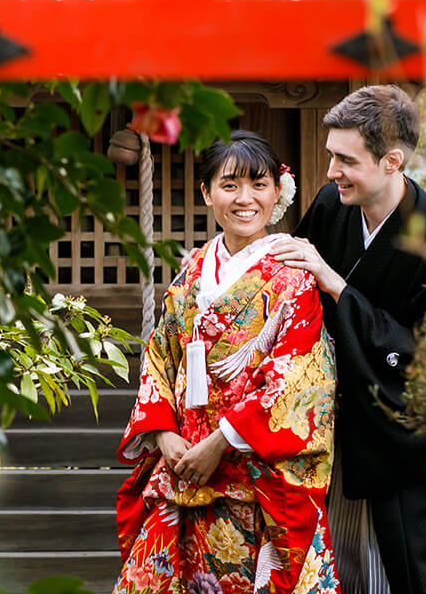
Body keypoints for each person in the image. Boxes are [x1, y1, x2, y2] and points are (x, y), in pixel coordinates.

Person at [113, 130, 340, 594]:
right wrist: (164, 433)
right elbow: (159, 358)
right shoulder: (193, 270)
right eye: (229, 185)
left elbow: (296, 382)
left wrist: (218, 443)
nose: (245, 199)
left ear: (277, 191)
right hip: (183, 468)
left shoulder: (293, 278)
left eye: (259, 185)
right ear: (207, 192)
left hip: (249, 477)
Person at [269, 85, 426, 594]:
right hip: (337, 438)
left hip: (407, 449)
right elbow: (286, 287)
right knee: (335, 576)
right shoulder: (331, 207)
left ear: (392, 161)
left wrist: (337, 286)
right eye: (331, 155)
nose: (331, 171)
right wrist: (218, 270)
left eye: (346, 160)